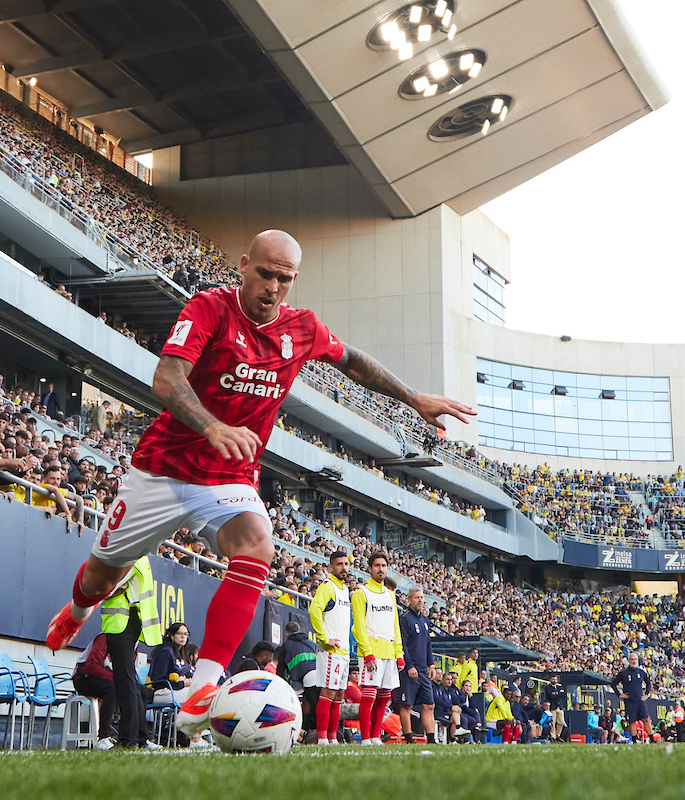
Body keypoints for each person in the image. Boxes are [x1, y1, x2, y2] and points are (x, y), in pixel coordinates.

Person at [45, 230, 474, 741]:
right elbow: (167, 378)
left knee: (257, 547)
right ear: (244, 265)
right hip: (161, 471)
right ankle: (75, 612)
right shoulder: (209, 309)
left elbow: (353, 360)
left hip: (228, 477)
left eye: (284, 279)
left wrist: (413, 396)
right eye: (265, 273)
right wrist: (212, 426)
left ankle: (204, 686)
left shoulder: (302, 328)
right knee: (98, 578)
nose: (272, 286)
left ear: (294, 281)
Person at [101, 555, 161, 749]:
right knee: (130, 681)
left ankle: (128, 740)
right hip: (130, 620)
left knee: (124, 681)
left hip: (122, 622)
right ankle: (140, 738)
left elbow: (105, 588)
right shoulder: (141, 557)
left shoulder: (129, 554)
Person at [351, 552, 405, 746]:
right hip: (371, 652)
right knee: (368, 697)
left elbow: (395, 626)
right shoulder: (361, 593)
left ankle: (375, 736)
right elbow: (358, 626)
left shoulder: (391, 595)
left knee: (384, 697)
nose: (381, 569)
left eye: (383, 566)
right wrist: (367, 653)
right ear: (370, 568)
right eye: (377, 566)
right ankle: (365, 737)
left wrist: (399, 654)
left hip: (389, 652)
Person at [310, 550, 352, 745]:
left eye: (346, 564)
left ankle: (333, 737)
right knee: (327, 693)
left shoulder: (344, 589)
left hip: (343, 652)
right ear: (330, 567)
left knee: (338, 696)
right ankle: (322, 738)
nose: (344, 567)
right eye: (339, 564)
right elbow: (314, 609)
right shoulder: (328, 586)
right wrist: (324, 638)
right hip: (331, 651)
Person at [398, 586, 436, 744]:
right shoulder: (405, 619)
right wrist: (409, 666)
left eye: (421, 597)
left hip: (423, 670)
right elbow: (402, 644)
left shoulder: (424, 620)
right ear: (409, 600)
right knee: (406, 705)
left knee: (429, 705)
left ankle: (432, 739)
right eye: (416, 597)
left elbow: (428, 644)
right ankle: (409, 738)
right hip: (410, 670)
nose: (420, 600)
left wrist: (431, 664)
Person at [71, 633, 117, 748]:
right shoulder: (104, 639)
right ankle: (103, 736)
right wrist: (115, 678)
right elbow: (91, 667)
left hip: (100, 677)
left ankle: (137, 738)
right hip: (83, 678)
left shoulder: (128, 646)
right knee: (112, 690)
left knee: (138, 691)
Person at [276, 620, 320, 739]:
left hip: (302, 678)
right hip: (318, 674)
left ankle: (311, 732)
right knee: (316, 705)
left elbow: (281, 668)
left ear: (286, 633)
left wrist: (280, 684)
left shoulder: (286, 645)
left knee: (309, 706)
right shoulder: (311, 643)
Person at [612, 652, 652, 743]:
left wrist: (647, 694)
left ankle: (652, 738)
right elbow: (613, 683)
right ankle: (634, 740)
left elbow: (649, 683)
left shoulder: (641, 672)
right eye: (632, 659)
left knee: (646, 719)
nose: (634, 661)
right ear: (629, 660)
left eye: (635, 659)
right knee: (632, 721)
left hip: (640, 700)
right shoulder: (623, 673)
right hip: (630, 701)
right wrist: (619, 694)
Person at [542, 674, 567, 742]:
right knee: (553, 722)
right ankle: (553, 736)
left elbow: (563, 695)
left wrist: (556, 694)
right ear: (550, 679)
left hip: (560, 707)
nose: (554, 681)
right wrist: (558, 694)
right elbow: (550, 696)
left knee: (561, 722)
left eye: (555, 679)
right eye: (553, 679)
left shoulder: (559, 687)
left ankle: (557, 735)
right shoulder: (548, 687)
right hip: (553, 707)